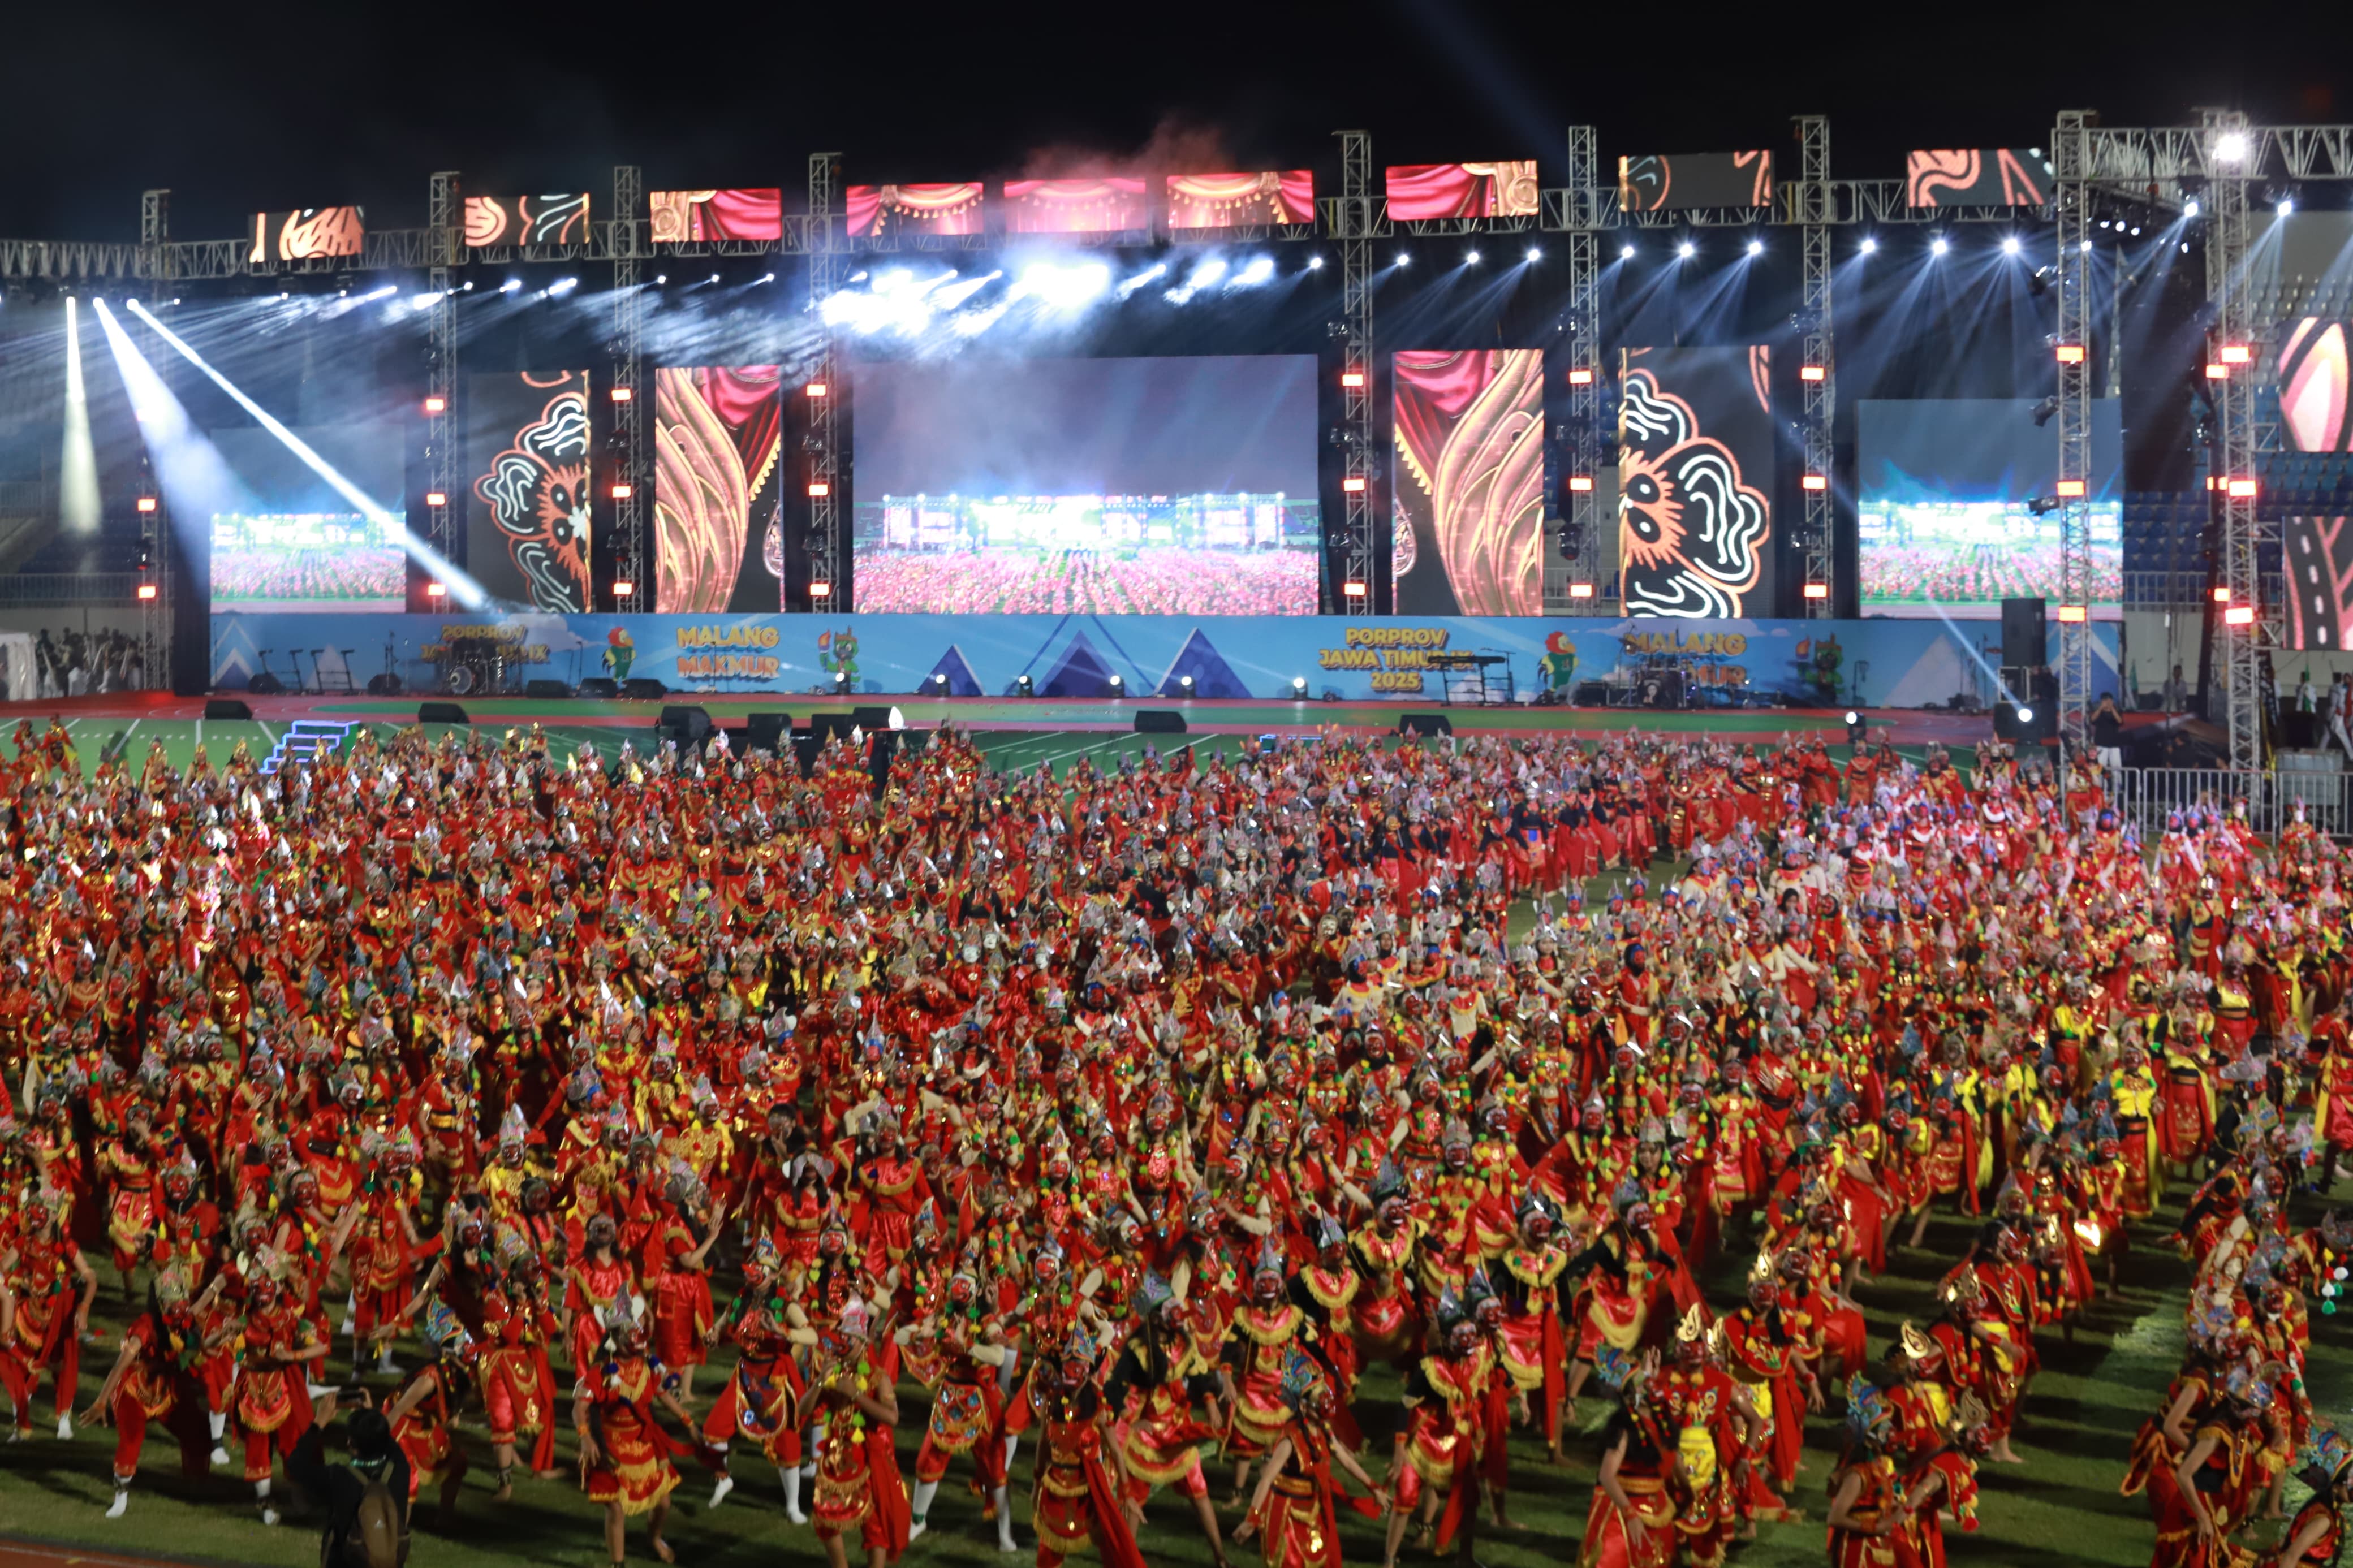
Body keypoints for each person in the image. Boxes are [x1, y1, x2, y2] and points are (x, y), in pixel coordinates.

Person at [288, 1387, 413, 1568]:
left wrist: (319, 1423)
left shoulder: (339, 1478)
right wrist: (372, 1417)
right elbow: (387, 1442)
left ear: (350, 1443)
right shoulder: (401, 1470)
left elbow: (296, 1464)